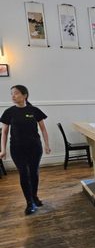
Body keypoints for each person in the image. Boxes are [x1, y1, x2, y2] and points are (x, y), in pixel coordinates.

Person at [0, 85, 51, 215]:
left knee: (34, 173)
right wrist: (3, 150)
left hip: (34, 147)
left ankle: (34, 196)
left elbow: (43, 129)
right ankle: (29, 203)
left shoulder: (34, 110)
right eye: (12, 94)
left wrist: (46, 144)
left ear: (25, 95)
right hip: (17, 149)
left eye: (16, 93)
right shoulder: (9, 112)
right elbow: (4, 133)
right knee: (24, 173)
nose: (13, 96)